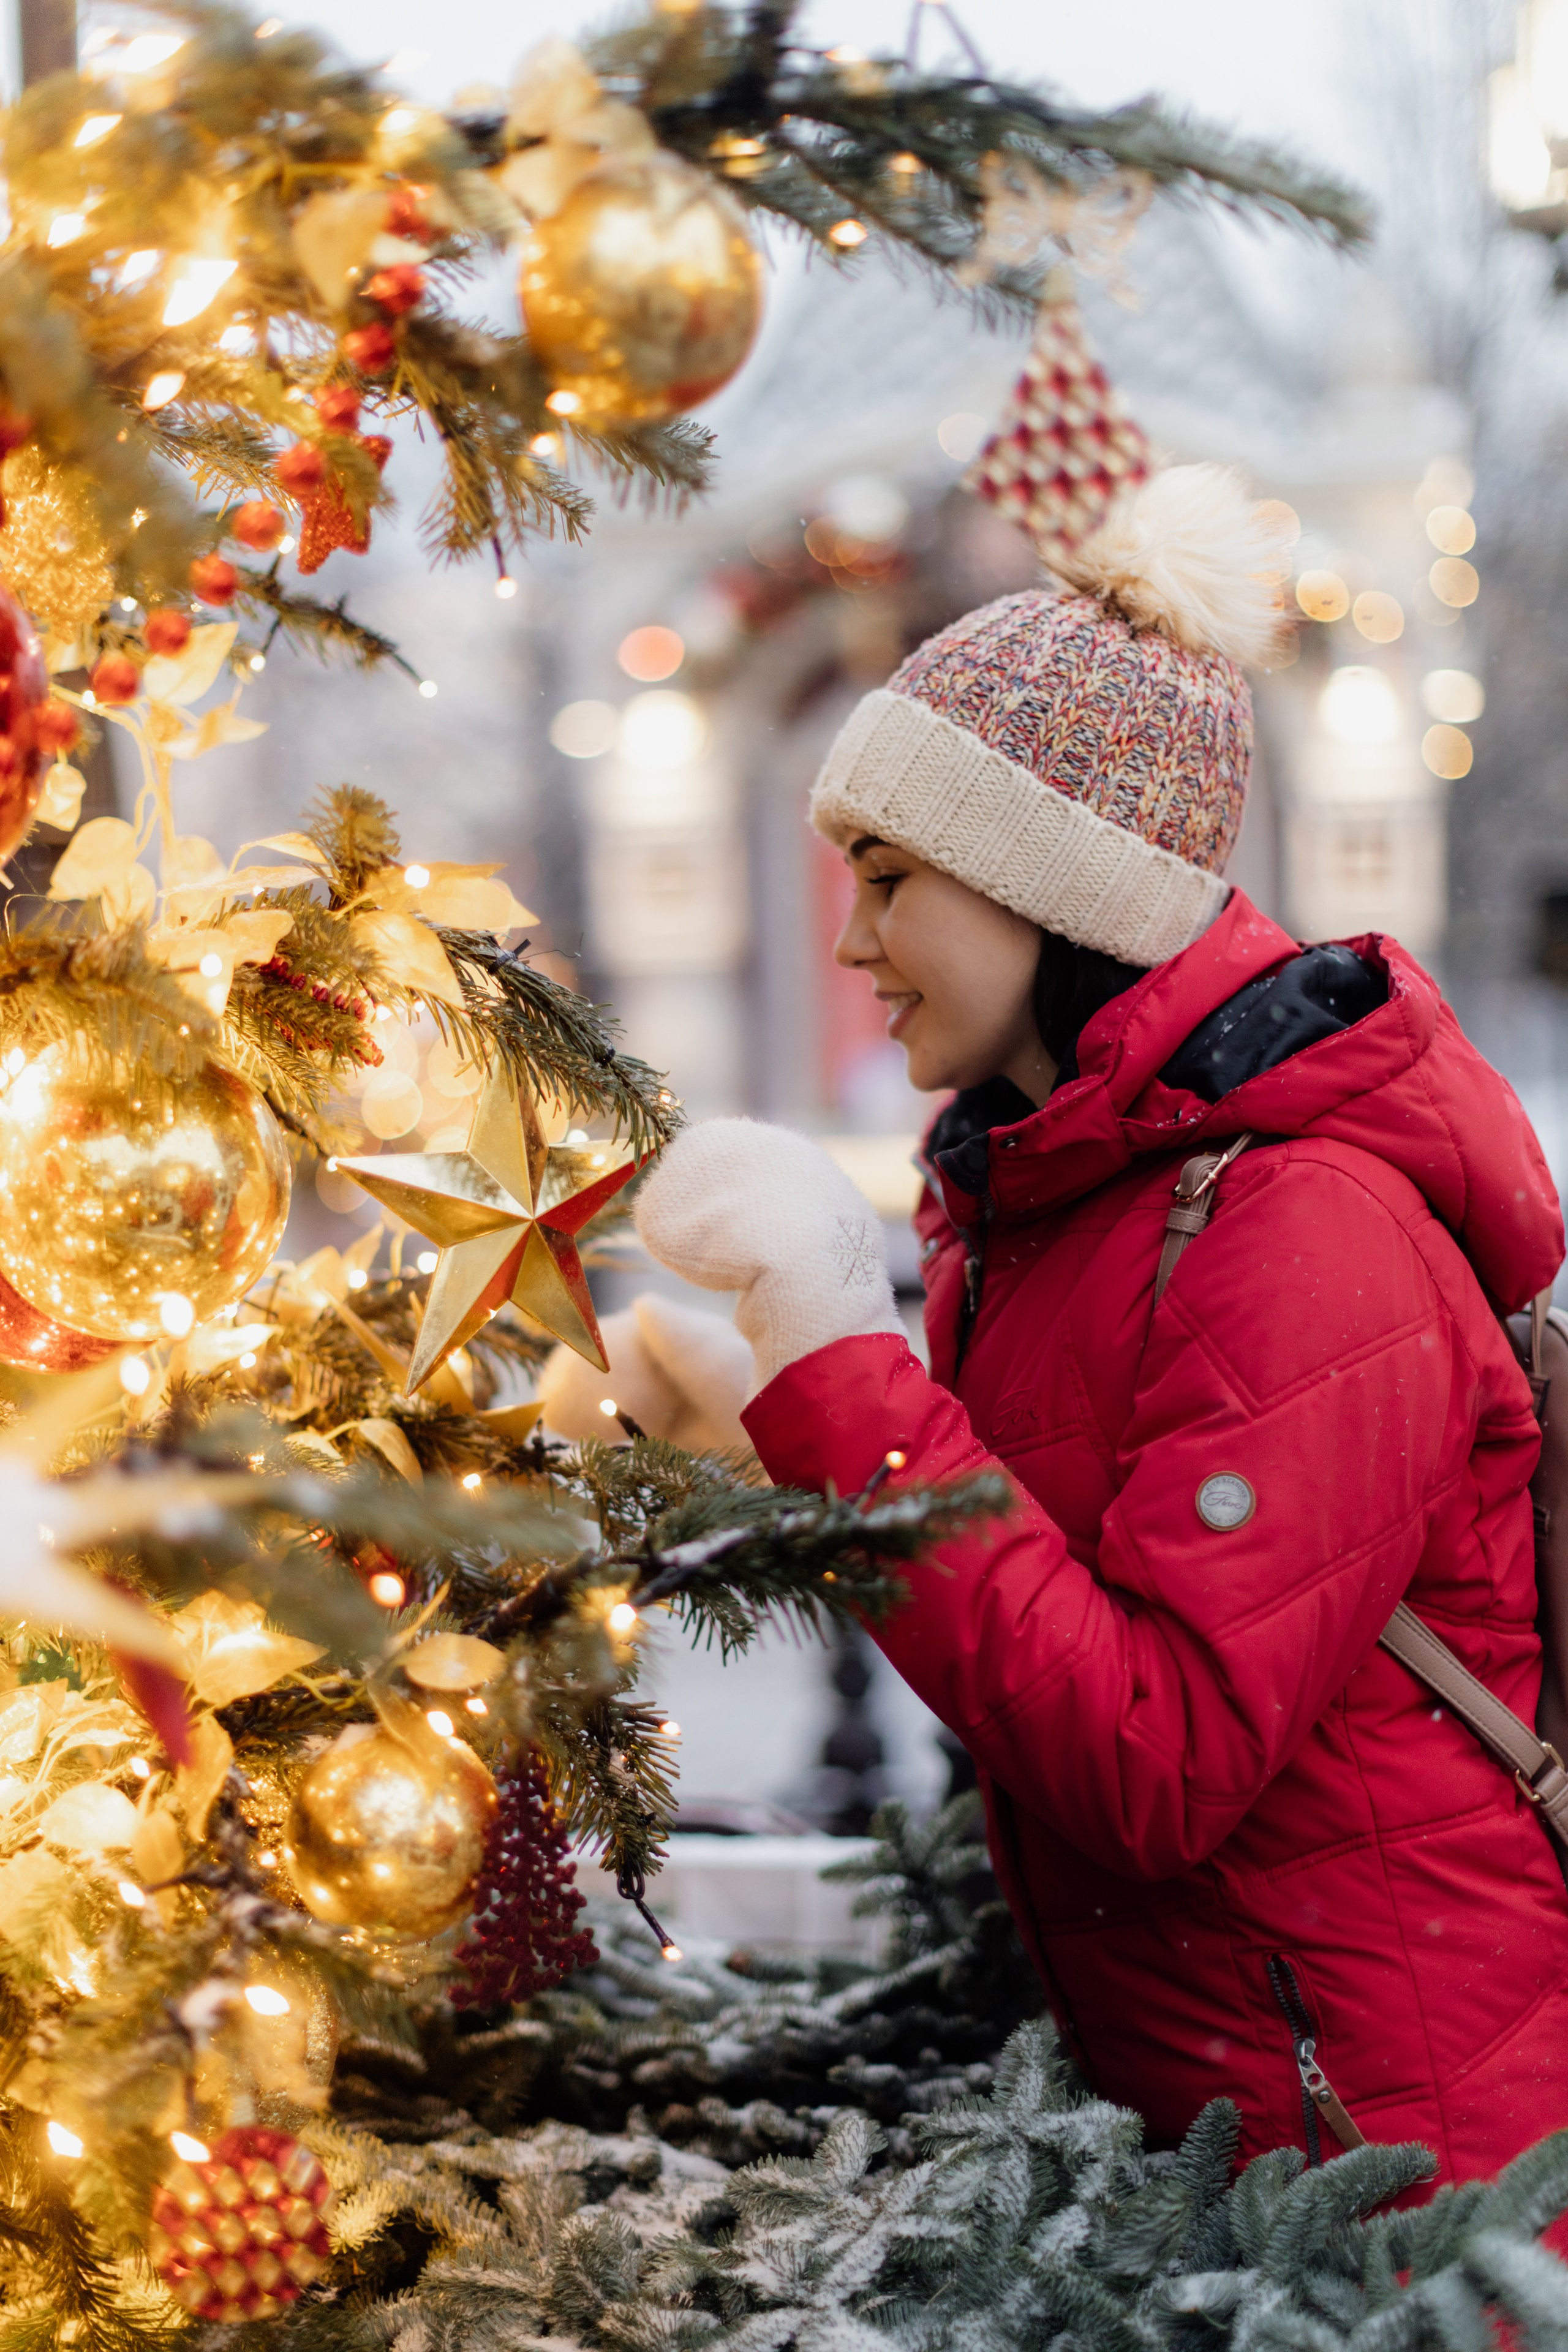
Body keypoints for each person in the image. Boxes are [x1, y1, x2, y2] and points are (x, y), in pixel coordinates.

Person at [630, 462, 1568, 2187]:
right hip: (1229, 2141)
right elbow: (1052, 1580)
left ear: (1053, 886)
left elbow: (1156, 1758)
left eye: (891, 878)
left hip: (1403, 2186)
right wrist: (763, 1425)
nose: (853, 943)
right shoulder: (1064, 1196)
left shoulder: (1307, 1226)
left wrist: (842, 1353)